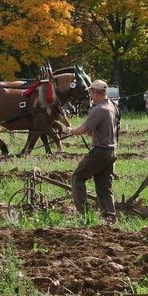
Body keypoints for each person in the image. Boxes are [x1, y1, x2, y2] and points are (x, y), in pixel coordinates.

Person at [63, 79, 119, 223]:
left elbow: (82, 129)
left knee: (77, 178)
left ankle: (84, 214)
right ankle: (109, 217)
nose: (90, 95)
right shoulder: (112, 105)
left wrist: (69, 130)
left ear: (96, 92)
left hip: (100, 152)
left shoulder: (99, 109)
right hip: (111, 151)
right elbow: (105, 128)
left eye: (91, 92)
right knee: (104, 186)